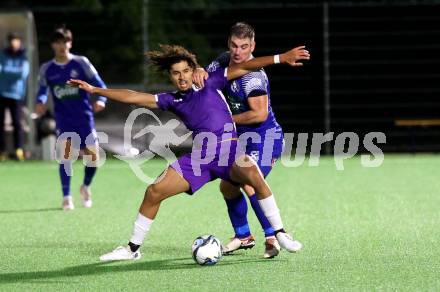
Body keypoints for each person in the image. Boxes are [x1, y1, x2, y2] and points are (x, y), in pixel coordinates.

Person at [68, 43, 310, 262]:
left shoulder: (212, 81)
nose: (182, 77)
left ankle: (280, 233)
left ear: (194, 70)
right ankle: (132, 249)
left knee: (253, 176)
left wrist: (282, 57)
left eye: (185, 71)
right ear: (171, 77)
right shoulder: (171, 100)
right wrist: (95, 90)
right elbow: (134, 97)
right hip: (201, 159)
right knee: (153, 192)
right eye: (176, 73)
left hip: (229, 152)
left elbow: (247, 65)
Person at [193, 22, 309, 258]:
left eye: (244, 47)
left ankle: (274, 237)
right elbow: (206, 77)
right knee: (227, 186)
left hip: (266, 139)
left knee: (248, 180)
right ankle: (244, 236)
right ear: (229, 44)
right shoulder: (224, 60)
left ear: (252, 46)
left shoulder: (253, 78)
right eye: (235, 45)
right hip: (242, 139)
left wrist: (225, 121)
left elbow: (260, 114)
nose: (238, 52)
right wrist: (198, 71)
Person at [35, 26, 107, 210]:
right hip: (63, 120)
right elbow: (42, 91)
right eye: (58, 42)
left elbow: (100, 85)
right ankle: (66, 197)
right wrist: (40, 101)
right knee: (65, 156)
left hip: (84, 118)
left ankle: (85, 186)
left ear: (70, 43)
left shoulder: (81, 63)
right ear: (53, 45)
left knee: (94, 157)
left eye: (66, 41)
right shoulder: (47, 69)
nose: (62, 46)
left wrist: (101, 99)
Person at [0, 33, 30, 161]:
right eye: (12, 41)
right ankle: (2, 151)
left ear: (19, 42)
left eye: (16, 40)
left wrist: (7, 71)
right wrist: (13, 71)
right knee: (0, 124)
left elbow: (22, 74)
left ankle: (19, 150)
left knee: (17, 123)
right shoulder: (3, 54)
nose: (14, 43)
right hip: (1, 93)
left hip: (17, 94)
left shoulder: (24, 57)